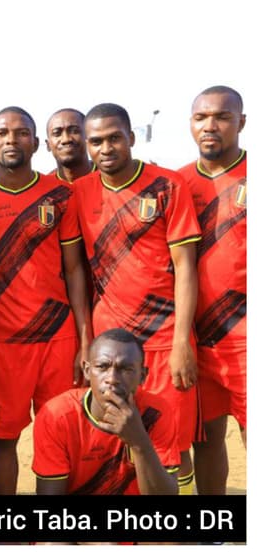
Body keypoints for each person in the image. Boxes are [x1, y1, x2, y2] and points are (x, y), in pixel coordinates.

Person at [69, 102, 201, 494]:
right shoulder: (77, 193)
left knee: (171, 442)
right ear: (87, 147)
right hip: (110, 348)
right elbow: (75, 271)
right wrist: (86, 342)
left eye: (114, 138)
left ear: (131, 137)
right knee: (115, 437)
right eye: (96, 141)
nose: (106, 148)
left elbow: (186, 268)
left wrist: (181, 343)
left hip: (162, 342)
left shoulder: (167, 185)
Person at [0, 106, 92, 495]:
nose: (11, 140)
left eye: (21, 133)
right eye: (2, 133)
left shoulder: (61, 195)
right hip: (3, 344)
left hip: (58, 339)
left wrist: (85, 339)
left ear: (37, 143)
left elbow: (74, 272)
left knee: (64, 435)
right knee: (1, 440)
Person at [179, 85, 247, 495]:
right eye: (201, 118)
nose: (210, 126)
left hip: (244, 338)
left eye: (221, 117)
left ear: (241, 122)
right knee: (205, 438)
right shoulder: (177, 183)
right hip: (196, 337)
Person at [33, 328, 179, 495]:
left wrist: (139, 442)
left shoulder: (156, 413)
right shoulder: (57, 416)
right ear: (87, 371)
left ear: (143, 376)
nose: (112, 379)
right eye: (102, 367)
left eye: (125, 369)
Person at [45, 108, 95, 182]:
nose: (66, 139)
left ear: (89, 138)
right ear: (48, 145)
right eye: (57, 133)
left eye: (74, 131)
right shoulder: (45, 187)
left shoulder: (110, 178)